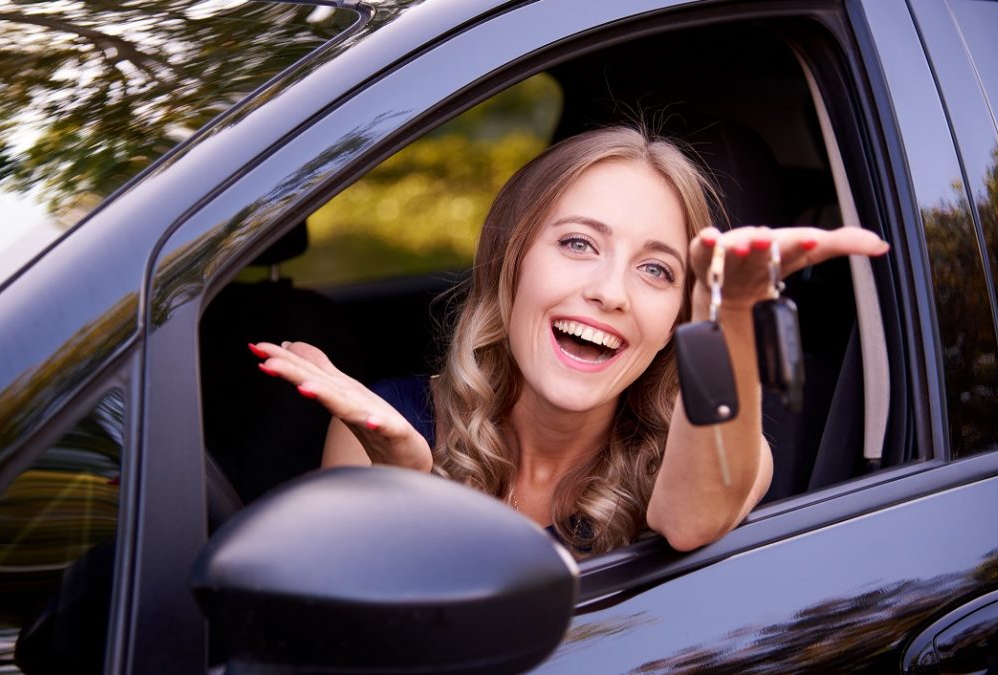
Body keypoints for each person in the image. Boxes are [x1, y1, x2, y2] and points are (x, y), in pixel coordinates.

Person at [249, 126, 889, 556]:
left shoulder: (711, 452)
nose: (611, 292)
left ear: (675, 319)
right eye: (579, 243)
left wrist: (728, 320)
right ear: (514, 260)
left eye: (656, 270)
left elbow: (691, 520)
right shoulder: (380, 429)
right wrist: (407, 490)